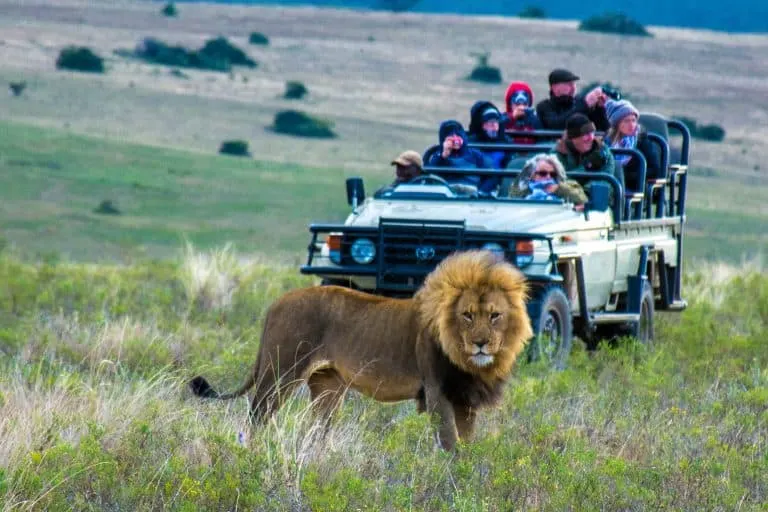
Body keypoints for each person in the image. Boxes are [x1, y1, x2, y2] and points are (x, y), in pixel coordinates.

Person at [552, 113, 622, 205]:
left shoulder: (602, 152)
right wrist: (587, 166)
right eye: (585, 134)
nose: (591, 138)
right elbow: (557, 182)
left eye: (592, 132)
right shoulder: (557, 153)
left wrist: (585, 197)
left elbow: (603, 183)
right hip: (565, 202)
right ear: (573, 138)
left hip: (597, 202)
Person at [604, 99, 662, 192]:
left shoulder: (642, 141)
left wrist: (624, 175)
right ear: (616, 124)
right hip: (609, 186)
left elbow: (655, 170)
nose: (631, 125)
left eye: (634, 120)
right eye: (626, 121)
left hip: (634, 189)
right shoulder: (606, 143)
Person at [427, 120, 496, 194]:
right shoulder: (438, 156)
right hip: (447, 194)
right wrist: (443, 156)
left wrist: (481, 192)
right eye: (450, 136)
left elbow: (491, 175)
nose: (455, 139)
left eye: (458, 135)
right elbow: (431, 177)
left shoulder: (475, 155)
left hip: (472, 194)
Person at [536, 68, 609, 131]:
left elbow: (601, 128)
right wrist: (585, 104)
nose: (573, 88)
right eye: (568, 84)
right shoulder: (544, 106)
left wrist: (599, 108)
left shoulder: (578, 103)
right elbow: (556, 125)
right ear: (554, 87)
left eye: (574, 84)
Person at [508, 153, 587, 207]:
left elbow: (583, 200)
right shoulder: (522, 186)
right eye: (543, 173)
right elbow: (512, 200)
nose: (548, 177)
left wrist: (560, 189)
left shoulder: (568, 185)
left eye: (553, 174)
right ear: (532, 175)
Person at [467, 101, 512, 169]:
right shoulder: (471, 143)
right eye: (490, 122)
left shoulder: (506, 141)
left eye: (496, 122)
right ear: (481, 125)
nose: (494, 126)